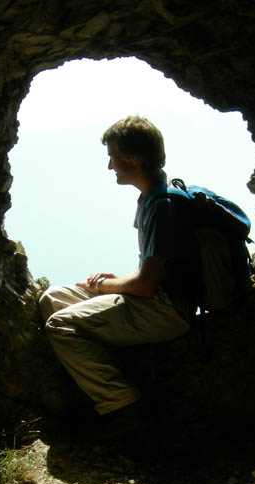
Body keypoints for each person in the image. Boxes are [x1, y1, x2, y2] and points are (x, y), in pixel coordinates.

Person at [38, 115, 194, 438]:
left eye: (113, 157)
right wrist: (118, 282)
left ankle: (124, 408)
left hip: (167, 311)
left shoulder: (161, 205)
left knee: (60, 325)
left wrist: (104, 285)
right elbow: (153, 269)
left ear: (133, 160)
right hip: (155, 300)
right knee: (52, 299)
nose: (110, 166)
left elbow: (147, 285)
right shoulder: (150, 196)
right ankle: (100, 384)